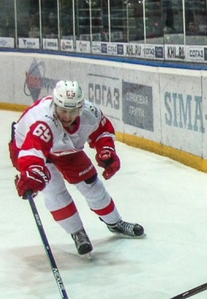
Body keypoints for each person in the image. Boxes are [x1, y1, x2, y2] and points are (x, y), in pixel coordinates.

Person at [9, 81, 145, 254]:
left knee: (92, 185)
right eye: (63, 110)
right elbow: (32, 150)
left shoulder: (90, 113)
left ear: (81, 108)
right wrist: (32, 172)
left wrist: (106, 149)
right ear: (54, 105)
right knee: (54, 191)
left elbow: (103, 130)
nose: (67, 116)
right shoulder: (43, 122)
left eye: (73, 111)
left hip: (64, 149)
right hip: (28, 149)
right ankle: (77, 233)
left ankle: (115, 223)